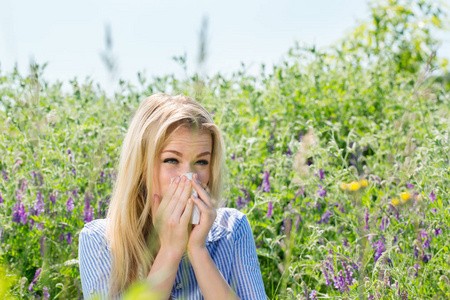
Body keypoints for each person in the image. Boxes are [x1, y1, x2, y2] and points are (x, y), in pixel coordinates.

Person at [78, 93, 267, 300]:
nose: (190, 177)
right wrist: (170, 250)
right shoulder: (101, 240)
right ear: (141, 166)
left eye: (202, 162)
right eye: (171, 160)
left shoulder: (232, 229)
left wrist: (198, 250)